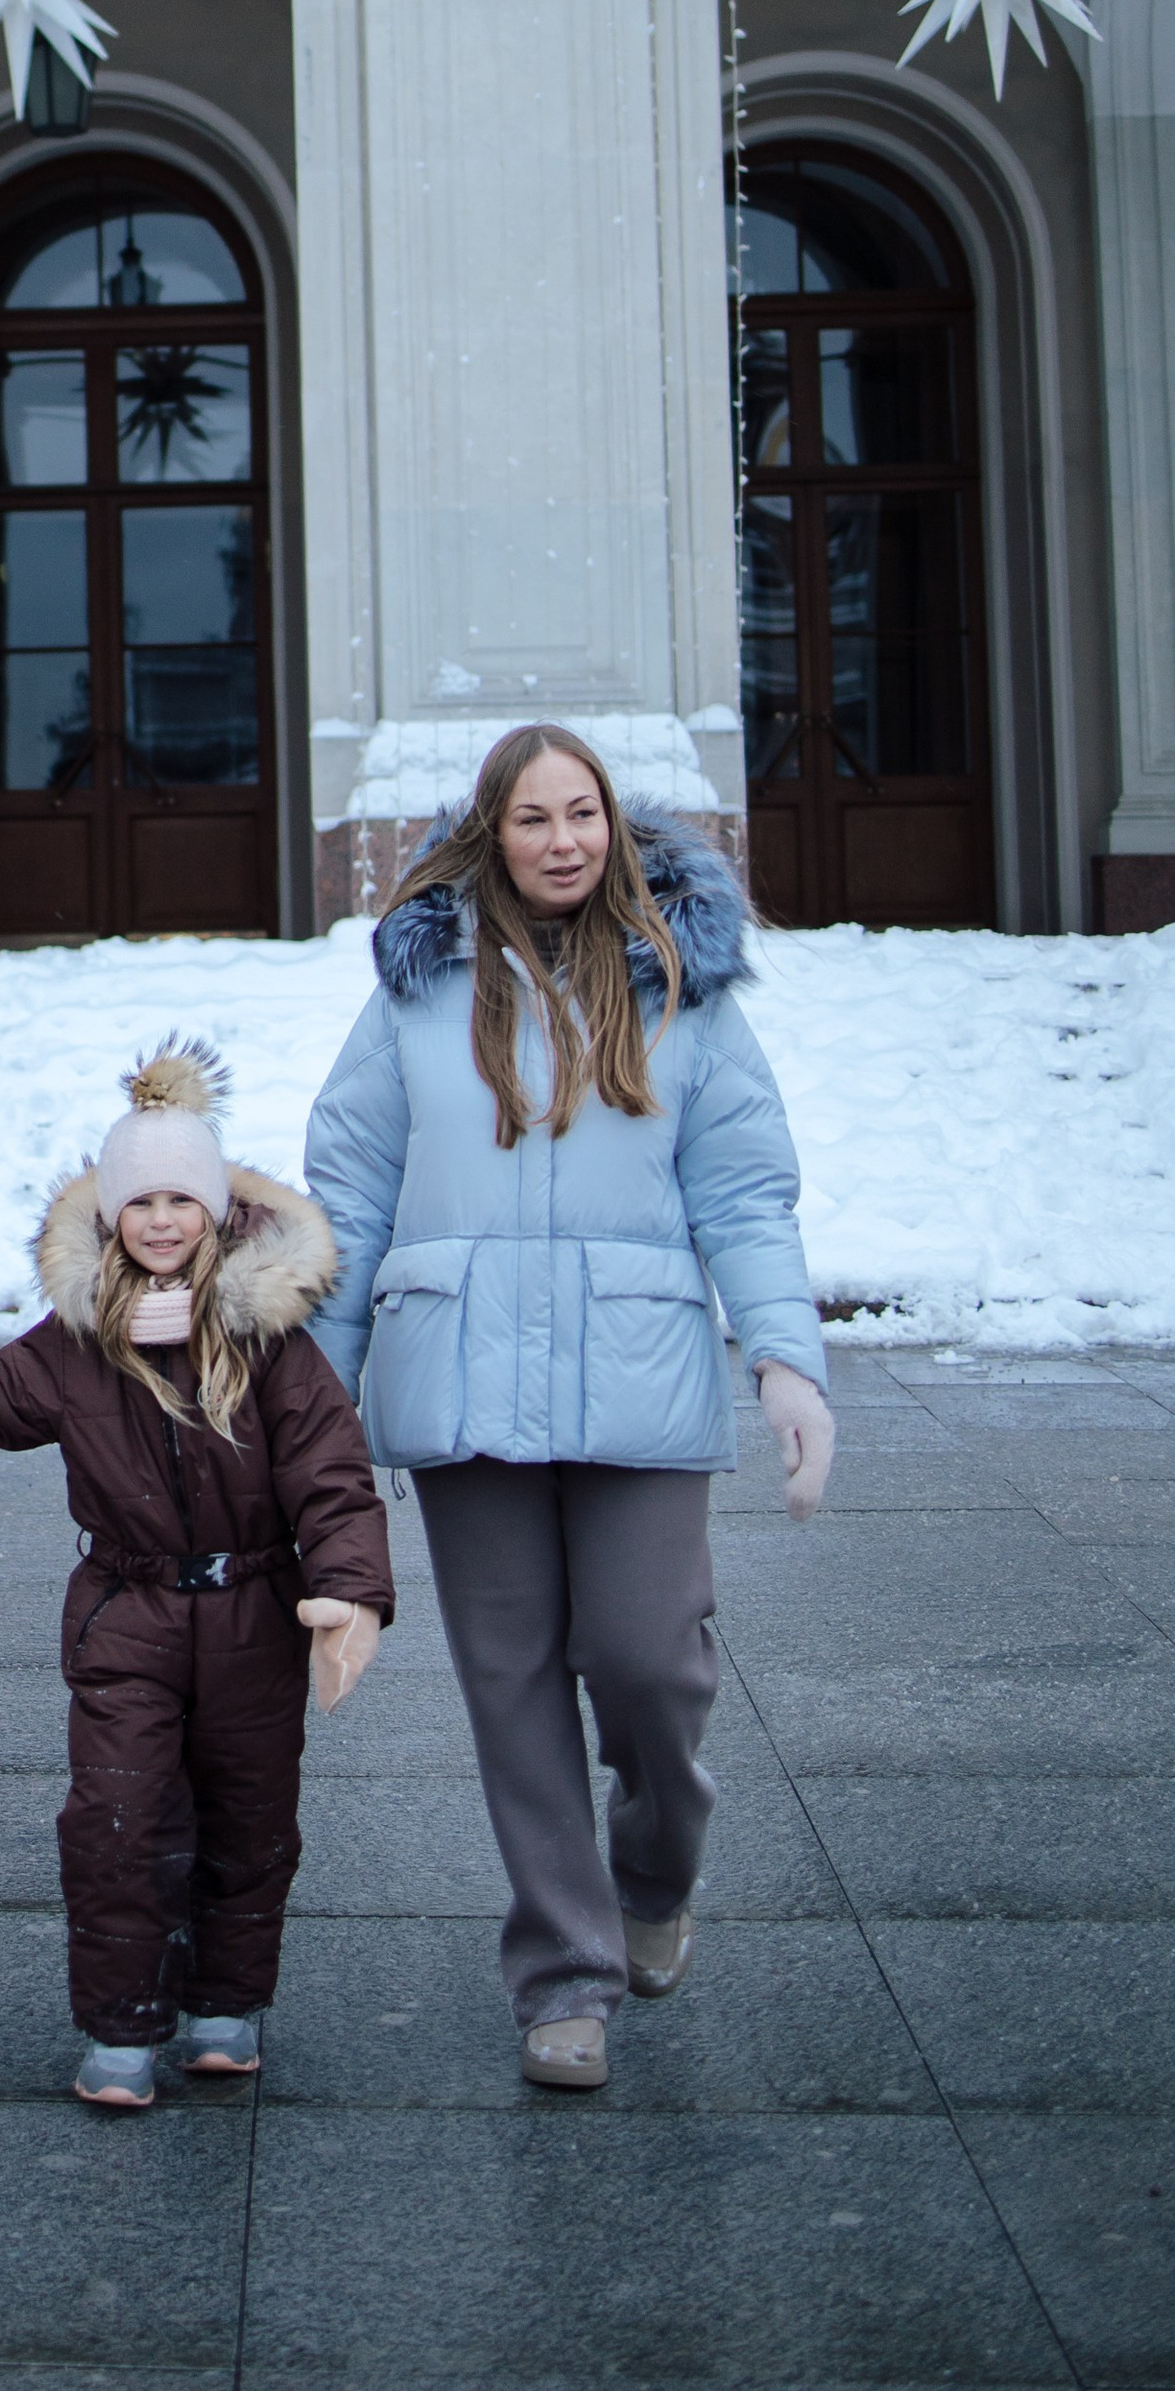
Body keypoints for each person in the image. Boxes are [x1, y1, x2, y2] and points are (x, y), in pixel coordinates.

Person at [302, 723, 835, 2094]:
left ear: (614, 828)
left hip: (637, 1379)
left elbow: (744, 1194)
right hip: (459, 1385)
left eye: (581, 815)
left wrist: (785, 1358)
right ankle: (564, 1972)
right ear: (492, 835)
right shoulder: (418, 994)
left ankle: (655, 1868)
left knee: (654, 1664)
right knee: (513, 1686)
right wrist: (319, 1399)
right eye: (531, 818)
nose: (560, 841)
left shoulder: (682, 990)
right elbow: (348, 1197)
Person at [0, 1040, 394, 2110]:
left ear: (215, 1211)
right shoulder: (83, 1340)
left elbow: (332, 1475)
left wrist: (347, 1593)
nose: (162, 1222)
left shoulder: (270, 1346)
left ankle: (222, 2003)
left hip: (256, 1613)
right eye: (140, 1202)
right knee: (116, 1819)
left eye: (181, 1200)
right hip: (128, 1615)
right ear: (111, 1214)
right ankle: (121, 2024)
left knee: (249, 1823)